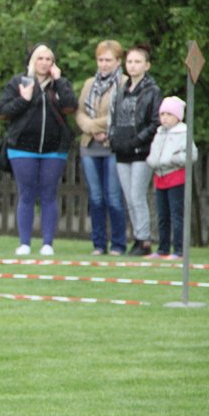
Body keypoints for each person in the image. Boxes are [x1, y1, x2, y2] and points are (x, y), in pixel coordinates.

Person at [0, 43, 78, 256]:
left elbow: (71, 106)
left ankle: (48, 244)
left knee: (49, 193)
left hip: (54, 149)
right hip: (22, 148)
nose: (44, 63)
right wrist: (23, 100)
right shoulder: (19, 82)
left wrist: (59, 81)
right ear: (32, 61)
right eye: (40, 58)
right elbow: (3, 111)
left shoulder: (60, 84)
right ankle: (24, 243)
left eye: (48, 59)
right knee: (27, 194)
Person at [75, 40, 127, 256]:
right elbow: (79, 112)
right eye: (100, 60)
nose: (104, 64)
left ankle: (118, 244)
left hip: (112, 146)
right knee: (95, 197)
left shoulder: (124, 83)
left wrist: (96, 126)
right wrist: (91, 128)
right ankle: (98, 244)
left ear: (118, 61)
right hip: (89, 145)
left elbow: (120, 113)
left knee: (113, 196)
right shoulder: (89, 83)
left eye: (108, 60)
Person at [109, 43, 162, 256]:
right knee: (129, 198)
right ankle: (138, 236)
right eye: (129, 61)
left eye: (137, 62)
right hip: (122, 150)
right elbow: (114, 118)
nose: (132, 65)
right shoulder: (121, 90)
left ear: (146, 65)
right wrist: (113, 139)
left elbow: (155, 122)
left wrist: (137, 141)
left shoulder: (152, 91)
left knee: (137, 194)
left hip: (141, 151)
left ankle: (144, 240)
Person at [145, 96, 198, 259]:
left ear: (178, 116)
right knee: (162, 216)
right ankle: (163, 249)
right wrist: (152, 161)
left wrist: (173, 159)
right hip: (160, 178)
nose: (165, 118)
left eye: (169, 114)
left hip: (176, 178)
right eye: (162, 114)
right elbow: (154, 153)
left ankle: (179, 250)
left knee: (177, 215)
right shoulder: (159, 133)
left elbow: (192, 155)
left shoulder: (183, 133)